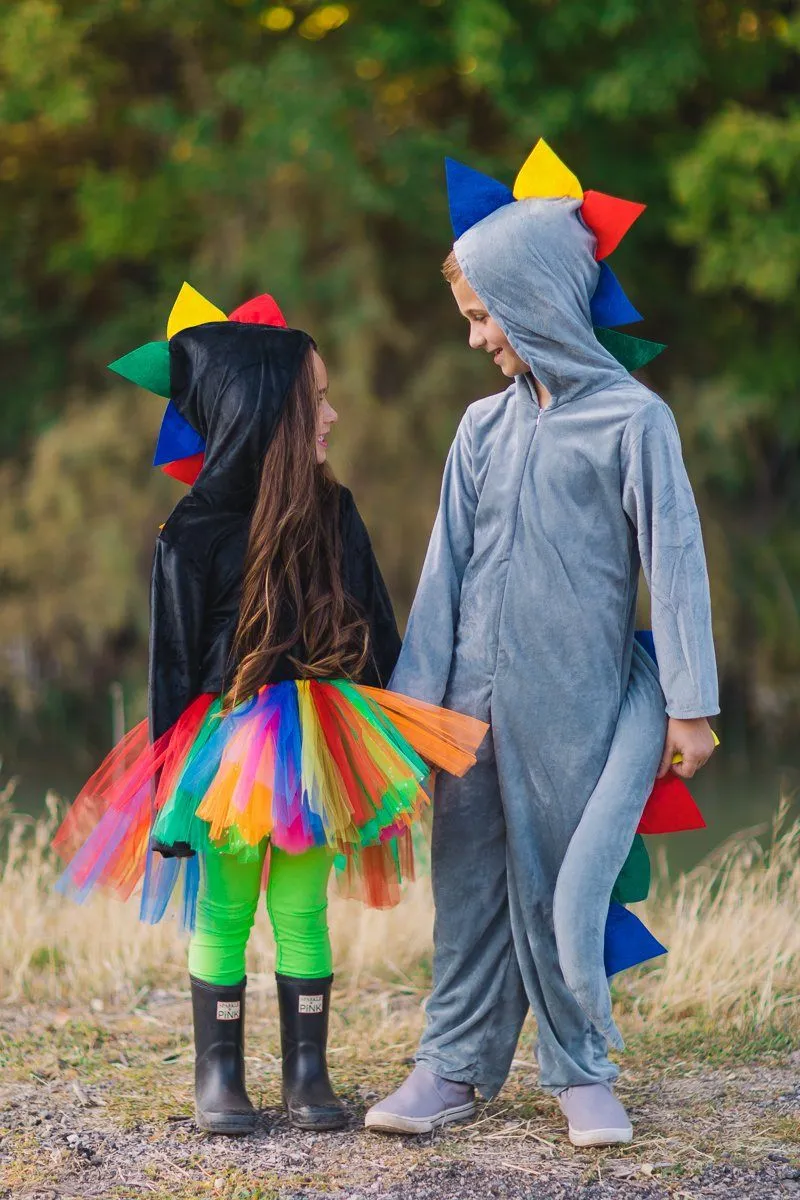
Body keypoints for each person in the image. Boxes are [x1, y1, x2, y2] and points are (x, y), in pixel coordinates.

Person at [54, 285, 487, 1138]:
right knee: (223, 907)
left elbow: (380, 638)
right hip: (224, 750)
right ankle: (219, 1079)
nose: (332, 414)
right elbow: (171, 674)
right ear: (268, 411)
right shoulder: (193, 534)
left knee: (300, 906)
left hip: (323, 746)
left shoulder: (334, 512)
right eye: (316, 398)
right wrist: (169, 798)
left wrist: (407, 735)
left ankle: (306, 1073)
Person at [365, 142, 718, 1147]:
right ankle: (451, 1064)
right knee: (468, 882)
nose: (477, 339)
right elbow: (439, 581)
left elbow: (676, 564)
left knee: (564, 884)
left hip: (573, 707)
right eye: (470, 319)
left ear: (537, 299)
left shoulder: (632, 424)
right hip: (467, 709)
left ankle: (580, 1070)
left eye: (484, 316)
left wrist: (687, 704)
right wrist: (410, 713)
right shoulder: (479, 429)